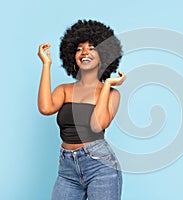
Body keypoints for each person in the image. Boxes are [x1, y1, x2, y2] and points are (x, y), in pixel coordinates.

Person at [37, 19, 125, 200]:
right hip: (67, 167)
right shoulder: (64, 90)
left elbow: (97, 125)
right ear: (73, 57)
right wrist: (46, 64)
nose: (84, 52)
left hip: (100, 167)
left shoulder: (112, 94)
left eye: (92, 47)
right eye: (79, 48)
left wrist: (107, 84)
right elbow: (45, 108)